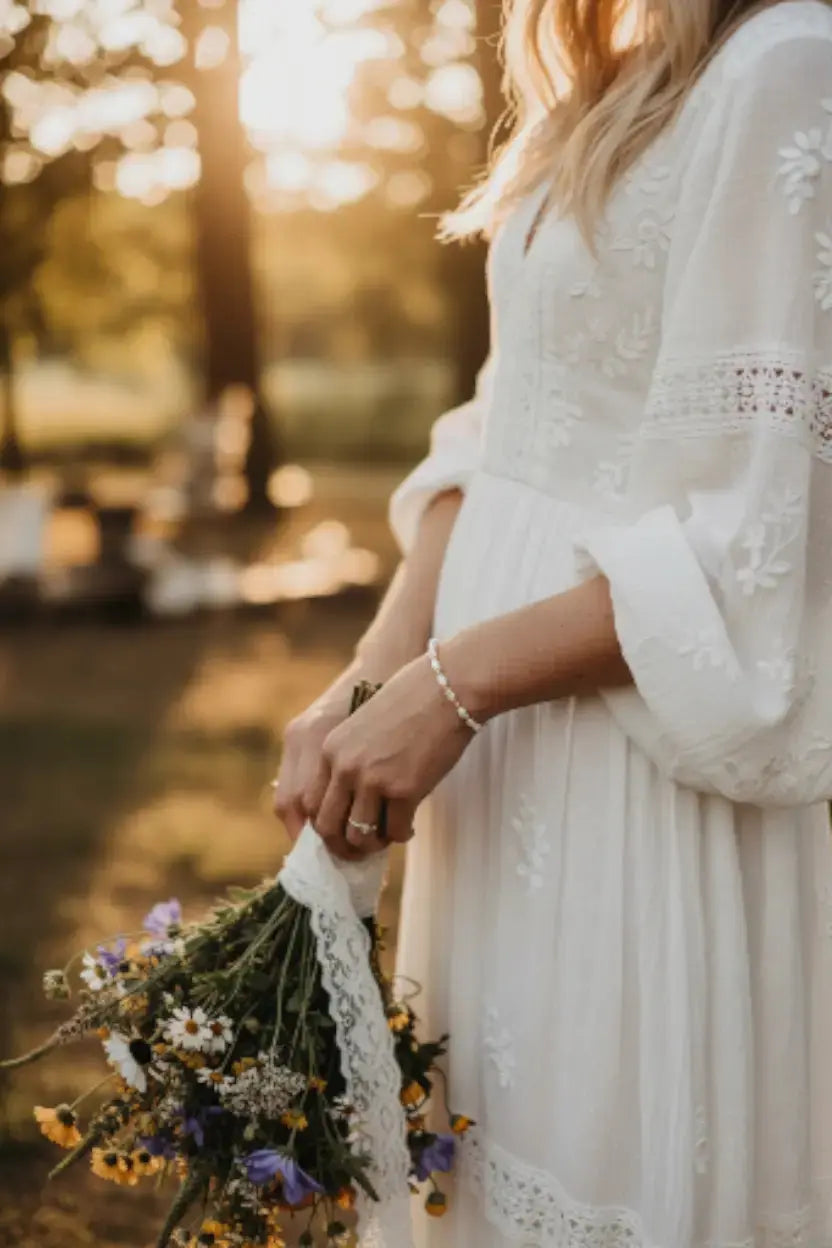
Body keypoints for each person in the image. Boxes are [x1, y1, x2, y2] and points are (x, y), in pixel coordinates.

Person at [274, 1, 832, 1243]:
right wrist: (370, 683)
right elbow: (502, 430)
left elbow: (758, 535)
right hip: (488, 753)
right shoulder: (614, 74)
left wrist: (454, 683)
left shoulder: (792, 64)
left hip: (632, 760)